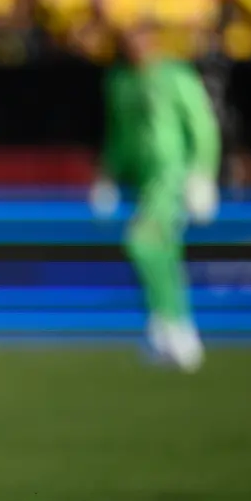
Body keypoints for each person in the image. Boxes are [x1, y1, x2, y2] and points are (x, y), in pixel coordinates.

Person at [91, 20, 222, 372]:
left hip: (171, 177)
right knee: (164, 252)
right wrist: (107, 176)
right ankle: (175, 330)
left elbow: (202, 125)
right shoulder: (119, 82)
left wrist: (203, 174)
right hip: (141, 181)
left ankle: (169, 324)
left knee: (142, 243)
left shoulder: (176, 76)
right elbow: (119, 135)